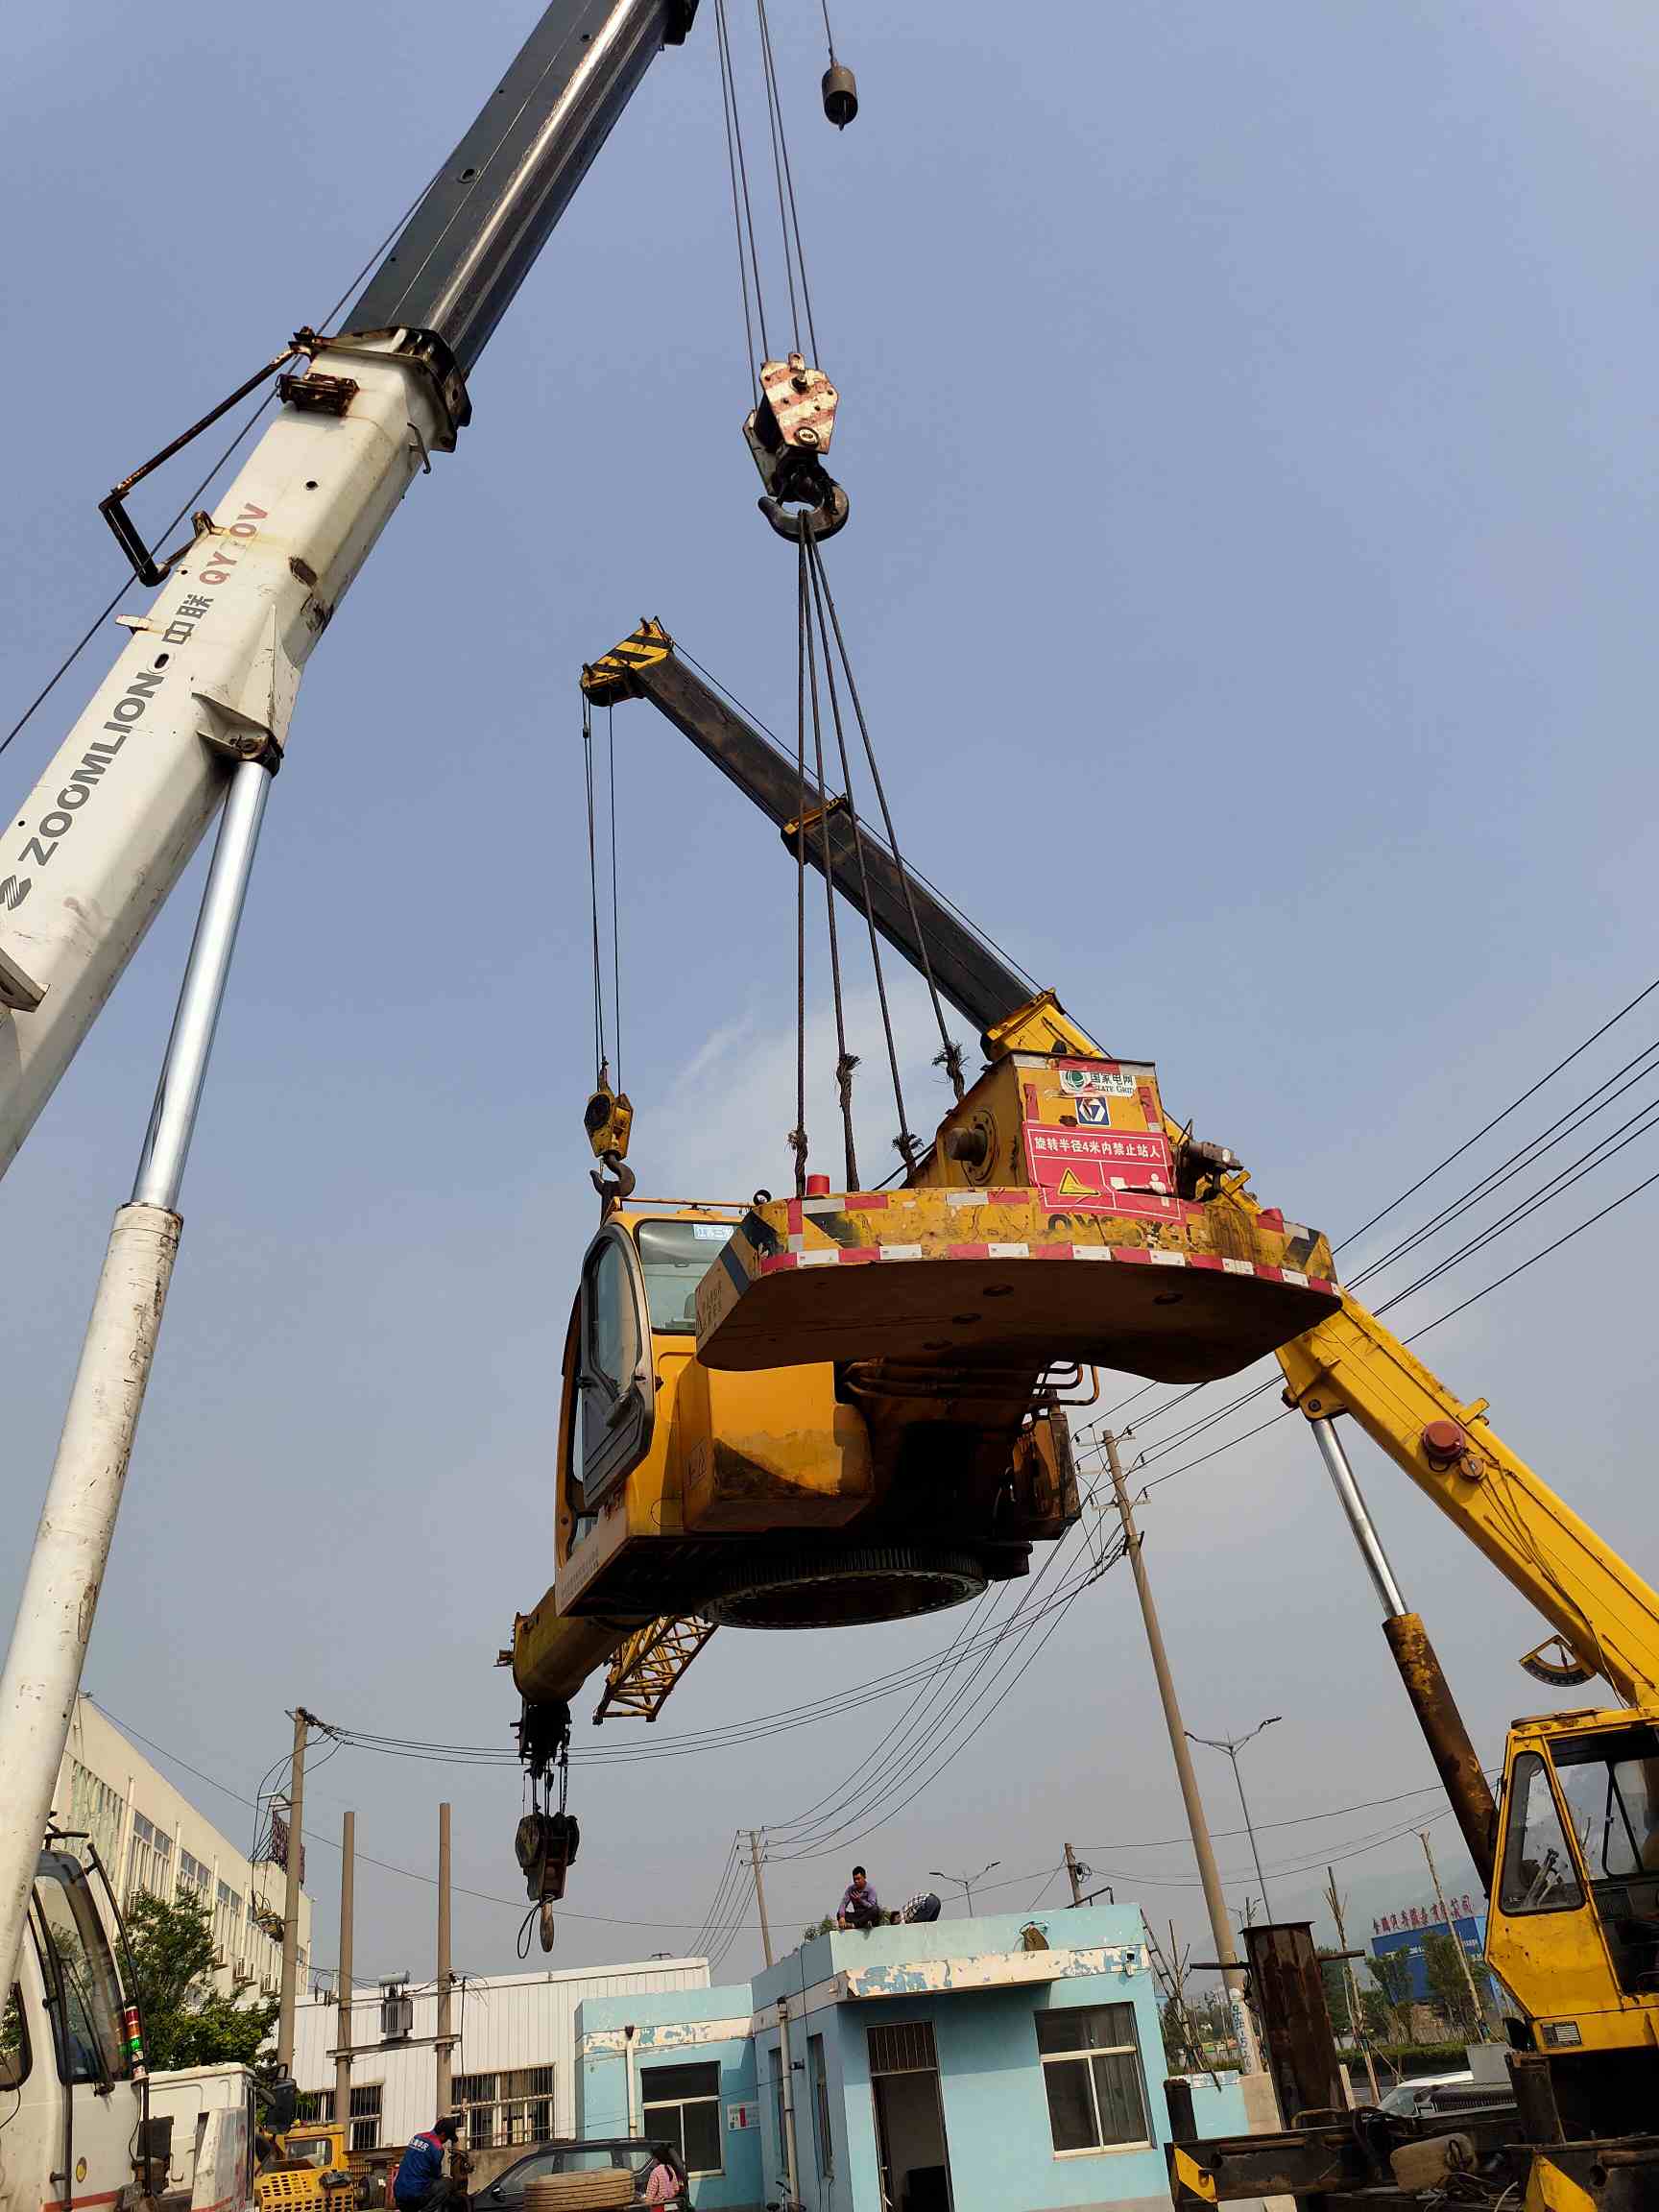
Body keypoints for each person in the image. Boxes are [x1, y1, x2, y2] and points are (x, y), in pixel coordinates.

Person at [393, 2117, 460, 2212]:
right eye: (447, 2138)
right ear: (442, 2134)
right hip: (414, 2197)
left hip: (399, 2195)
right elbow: (435, 2175)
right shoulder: (437, 2148)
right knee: (447, 2183)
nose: (446, 2141)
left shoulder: (417, 2137)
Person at [837, 1865, 880, 1929]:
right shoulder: (850, 1889)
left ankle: (854, 1925)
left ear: (864, 1877)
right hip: (858, 1916)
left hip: (868, 1914)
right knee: (839, 1914)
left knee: (875, 1909)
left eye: (858, 1879)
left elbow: (871, 1906)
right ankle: (863, 1924)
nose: (856, 1881)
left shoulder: (871, 1889)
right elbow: (843, 1903)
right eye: (854, 1879)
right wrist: (842, 1917)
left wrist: (860, 1900)